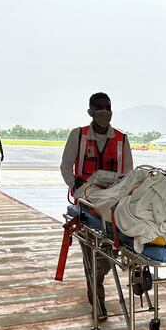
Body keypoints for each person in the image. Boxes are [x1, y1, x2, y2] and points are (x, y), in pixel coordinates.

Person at [61, 92, 133, 315]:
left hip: (112, 200)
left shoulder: (121, 139)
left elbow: (129, 173)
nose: (105, 111)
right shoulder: (79, 136)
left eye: (108, 107)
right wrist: (77, 187)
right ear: (90, 111)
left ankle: (100, 275)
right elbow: (66, 166)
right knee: (91, 252)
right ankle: (97, 300)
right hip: (86, 200)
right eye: (99, 107)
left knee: (106, 251)